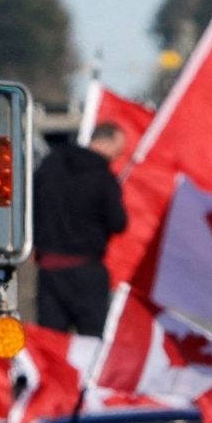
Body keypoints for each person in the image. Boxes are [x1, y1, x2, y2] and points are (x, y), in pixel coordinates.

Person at [31, 119, 128, 334]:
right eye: (118, 150)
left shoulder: (51, 166)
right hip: (87, 272)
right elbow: (118, 223)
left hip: (49, 270)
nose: (117, 156)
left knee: (51, 344)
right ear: (107, 142)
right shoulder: (104, 178)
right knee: (91, 345)